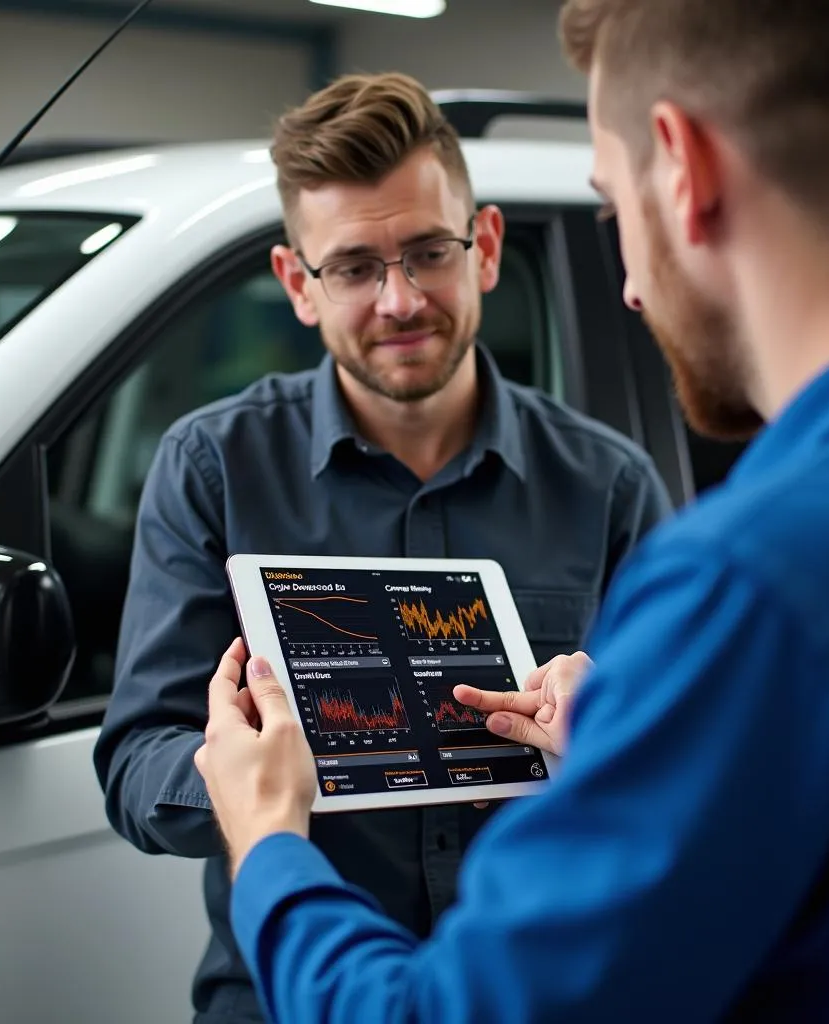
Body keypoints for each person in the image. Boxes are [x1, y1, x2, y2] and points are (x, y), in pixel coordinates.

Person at [194, 0, 829, 1021]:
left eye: (614, 210)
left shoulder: (751, 582)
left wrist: (268, 840)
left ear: (683, 167)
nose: (625, 285)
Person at [93, 70, 672, 1024]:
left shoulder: (610, 485)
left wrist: (610, 740)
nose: (399, 301)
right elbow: (136, 762)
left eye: (427, 252)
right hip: (284, 999)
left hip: (532, 993)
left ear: (483, 248)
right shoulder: (212, 467)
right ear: (298, 285)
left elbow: (677, 775)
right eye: (355, 267)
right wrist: (253, 774)